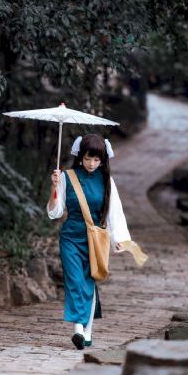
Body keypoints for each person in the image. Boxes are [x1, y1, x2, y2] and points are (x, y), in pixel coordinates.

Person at [46, 133, 131, 350]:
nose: (91, 164)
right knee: (75, 281)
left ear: (102, 160)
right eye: (87, 158)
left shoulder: (106, 180)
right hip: (71, 237)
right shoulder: (67, 177)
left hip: (95, 238)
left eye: (96, 159)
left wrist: (119, 238)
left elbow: (114, 211)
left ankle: (87, 331)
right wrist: (54, 187)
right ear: (80, 156)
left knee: (89, 282)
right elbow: (55, 212)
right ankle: (78, 330)